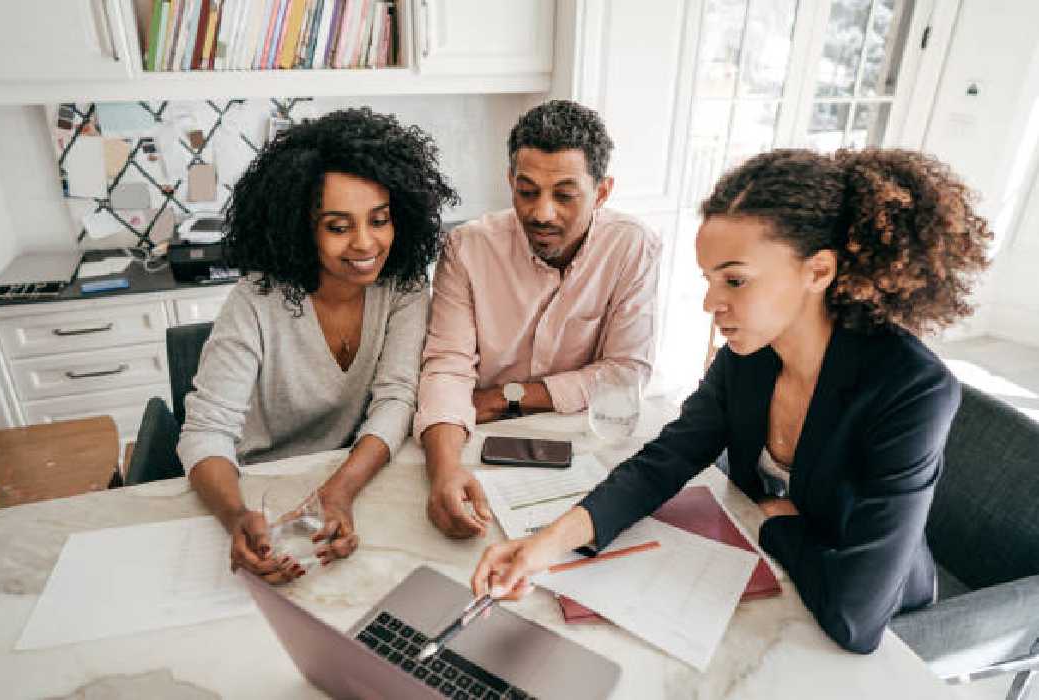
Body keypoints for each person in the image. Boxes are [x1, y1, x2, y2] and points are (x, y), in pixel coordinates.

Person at [471, 148, 993, 654]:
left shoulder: (909, 389)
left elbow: (856, 617)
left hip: (872, 619)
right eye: (709, 279)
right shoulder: (750, 355)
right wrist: (546, 544)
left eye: (735, 280)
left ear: (818, 272)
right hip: (772, 582)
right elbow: (664, 461)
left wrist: (776, 525)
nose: (709, 303)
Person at [177, 107, 458, 584]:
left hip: (353, 475)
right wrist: (234, 516)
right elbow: (205, 432)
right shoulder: (256, 299)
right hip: (257, 484)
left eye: (379, 220)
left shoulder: (405, 285)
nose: (366, 244)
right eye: (338, 226)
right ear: (301, 227)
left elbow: (397, 398)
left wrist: (341, 490)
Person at [414, 99, 662, 539]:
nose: (542, 213)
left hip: (583, 445)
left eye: (564, 195)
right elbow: (446, 368)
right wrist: (445, 472)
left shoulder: (631, 247)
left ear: (601, 193)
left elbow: (626, 373)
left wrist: (506, 396)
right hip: (474, 439)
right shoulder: (467, 248)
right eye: (527, 191)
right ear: (510, 181)